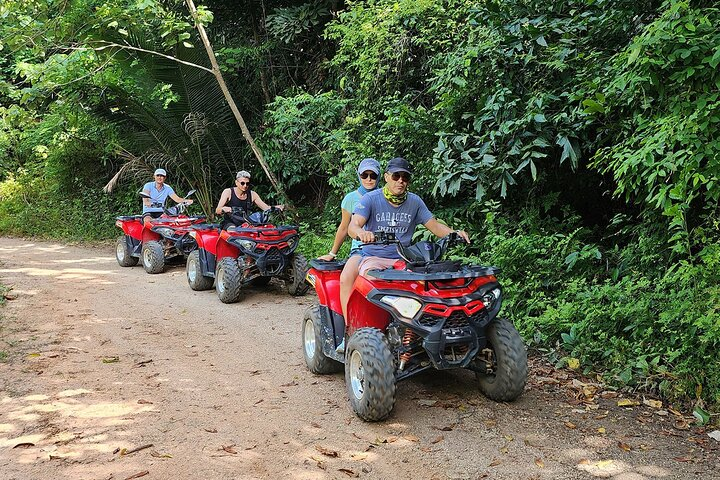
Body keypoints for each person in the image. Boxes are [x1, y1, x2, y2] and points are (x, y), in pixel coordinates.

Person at [345, 157, 470, 310]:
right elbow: (353, 225)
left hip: (404, 260)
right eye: (396, 176)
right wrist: (361, 233)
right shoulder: (370, 199)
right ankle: (358, 326)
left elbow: (435, 226)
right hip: (373, 258)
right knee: (372, 282)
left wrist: (455, 234)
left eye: (405, 177)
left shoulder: (415, 202)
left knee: (422, 288)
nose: (400, 181)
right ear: (386, 177)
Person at [318, 158, 381, 319]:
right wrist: (332, 253)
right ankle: (348, 327)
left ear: (380, 176)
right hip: (361, 250)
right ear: (358, 176)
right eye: (364, 175)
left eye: (372, 175)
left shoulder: (386, 196)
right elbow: (344, 227)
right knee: (346, 278)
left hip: (384, 250)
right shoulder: (351, 198)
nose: (368, 179)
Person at [215, 170, 284, 227]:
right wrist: (226, 209)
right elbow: (217, 210)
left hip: (246, 223)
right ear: (236, 182)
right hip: (230, 223)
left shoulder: (252, 194)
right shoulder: (228, 192)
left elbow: (265, 208)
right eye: (242, 183)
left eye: (247, 183)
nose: (245, 186)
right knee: (233, 231)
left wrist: (276, 207)